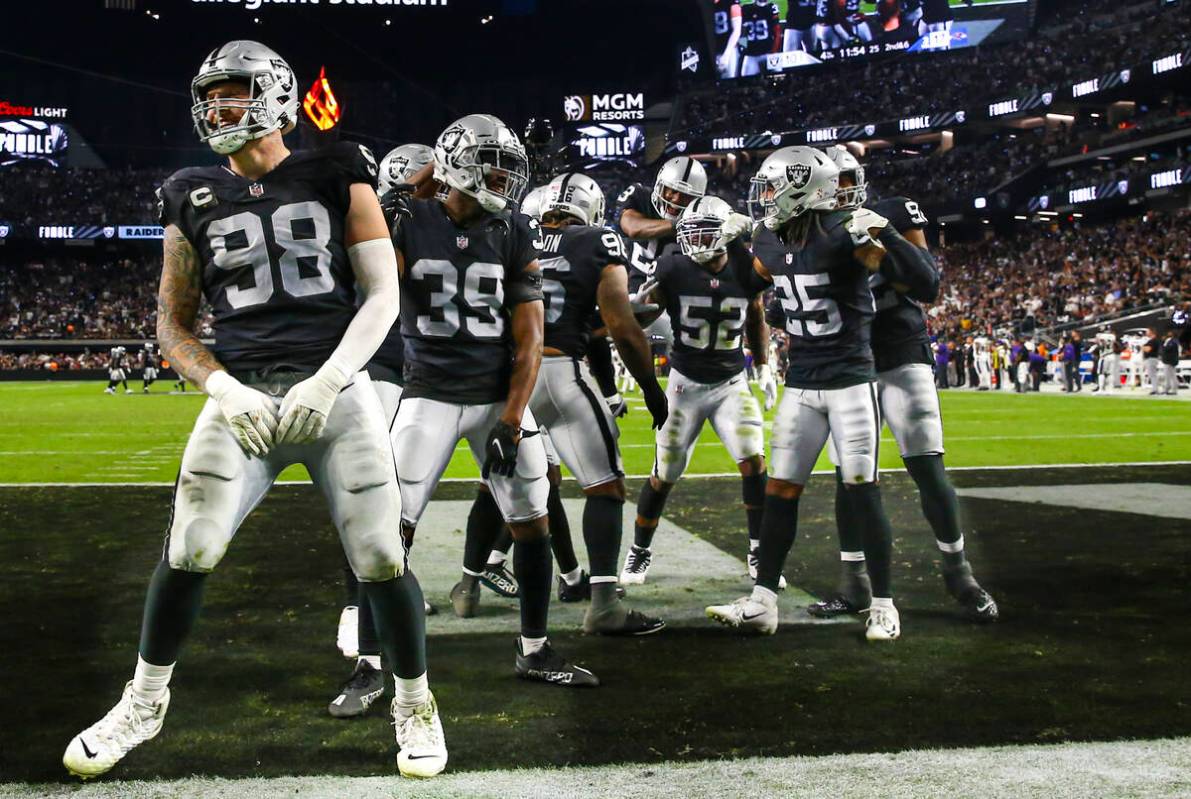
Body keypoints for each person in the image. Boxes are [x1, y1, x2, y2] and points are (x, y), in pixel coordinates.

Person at [63, 41, 446, 780]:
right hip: (244, 394)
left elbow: (381, 295)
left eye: (231, 93)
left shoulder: (338, 168)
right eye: (209, 96)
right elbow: (173, 324)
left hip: (331, 389)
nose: (215, 108)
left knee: (378, 552)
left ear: (272, 94)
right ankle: (143, 701)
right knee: (192, 544)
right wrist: (222, 388)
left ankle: (415, 701)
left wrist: (331, 378)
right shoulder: (189, 190)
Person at [389, 113, 597, 687]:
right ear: (455, 162)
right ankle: (373, 659)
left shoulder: (513, 230)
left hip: (495, 395)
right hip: (428, 394)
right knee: (389, 531)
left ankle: (534, 649)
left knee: (533, 520)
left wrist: (511, 415)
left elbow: (531, 337)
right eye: (494, 166)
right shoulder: (409, 221)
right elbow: (375, 290)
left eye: (510, 169)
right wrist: (404, 198)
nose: (505, 180)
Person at [705, 146, 910, 641]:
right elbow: (741, 285)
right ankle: (762, 601)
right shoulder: (770, 240)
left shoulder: (846, 233)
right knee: (780, 494)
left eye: (774, 187)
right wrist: (730, 245)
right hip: (801, 385)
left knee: (863, 492)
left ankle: (883, 605)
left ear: (801, 189)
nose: (766, 197)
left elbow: (923, 283)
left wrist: (889, 237)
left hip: (850, 382)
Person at [812, 145, 996, 623]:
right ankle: (853, 583)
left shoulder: (891, 212)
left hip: (899, 351)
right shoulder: (810, 228)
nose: (841, 191)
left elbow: (926, 280)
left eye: (848, 179)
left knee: (927, 466)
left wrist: (886, 263)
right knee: (848, 477)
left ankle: (960, 572)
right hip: (850, 360)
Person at [527, 171, 669, 634]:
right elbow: (625, 330)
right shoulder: (597, 242)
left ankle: (464, 586)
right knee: (604, 486)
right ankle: (604, 605)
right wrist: (650, 389)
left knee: (514, 493)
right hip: (556, 374)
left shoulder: (516, 233)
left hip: (506, 378)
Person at [623, 195, 778, 586]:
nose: (693, 241)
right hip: (683, 384)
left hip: (730, 383)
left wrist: (762, 364)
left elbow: (757, 309)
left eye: (704, 232)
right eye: (689, 232)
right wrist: (632, 311)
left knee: (753, 462)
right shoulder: (673, 264)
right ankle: (639, 550)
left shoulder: (745, 263)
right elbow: (648, 309)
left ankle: (759, 550)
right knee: (665, 473)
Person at [1161, 329, 1181, 395]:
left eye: (1170, 332)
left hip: (1169, 361)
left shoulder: (1173, 341)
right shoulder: (1173, 341)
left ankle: (1170, 389)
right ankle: (1171, 389)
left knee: (1169, 376)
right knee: (1171, 375)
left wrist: (1164, 344)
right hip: (1170, 360)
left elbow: (1167, 349)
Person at [1143, 328, 1161, 395]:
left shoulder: (1154, 341)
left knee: (1153, 375)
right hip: (1150, 359)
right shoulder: (1151, 340)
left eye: (1148, 331)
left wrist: (1142, 347)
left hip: (1152, 359)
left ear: (1152, 332)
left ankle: (1155, 389)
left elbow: (1148, 349)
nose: (1146, 333)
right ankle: (1154, 389)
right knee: (1152, 374)